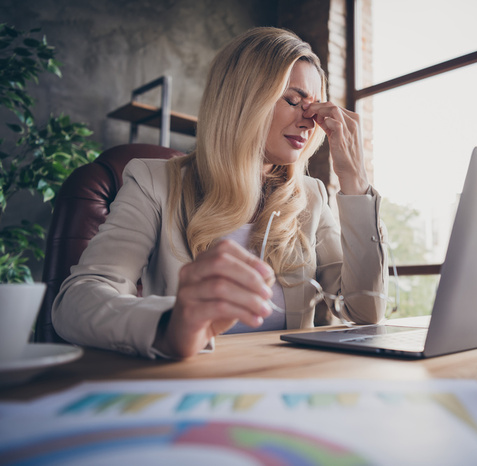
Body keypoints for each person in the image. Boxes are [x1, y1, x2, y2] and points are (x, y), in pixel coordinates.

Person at [52, 27, 389, 359]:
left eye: (314, 107)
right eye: (294, 100)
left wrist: (354, 181)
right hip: (189, 386)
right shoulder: (154, 181)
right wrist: (172, 325)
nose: (308, 121)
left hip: (284, 383)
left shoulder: (311, 196)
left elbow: (365, 310)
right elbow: (76, 301)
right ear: (243, 99)